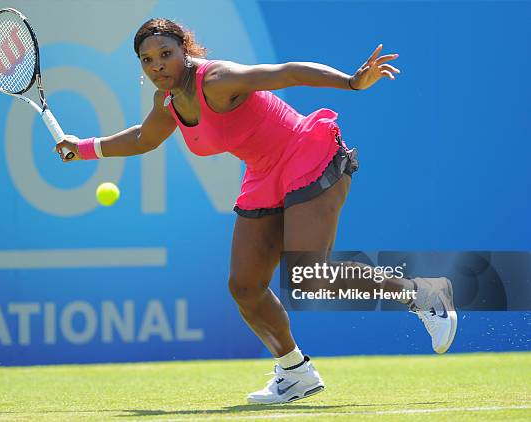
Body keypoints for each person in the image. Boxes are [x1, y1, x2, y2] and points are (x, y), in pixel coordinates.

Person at [55, 18, 457, 404]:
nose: (158, 64)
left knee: (310, 279)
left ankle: (423, 294)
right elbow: (144, 138)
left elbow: (286, 72)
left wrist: (351, 82)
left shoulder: (217, 78)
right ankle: (294, 371)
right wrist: (83, 147)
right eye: (148, 59)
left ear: (185, 49)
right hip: (265, 176)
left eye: (166, 53)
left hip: (306, 154)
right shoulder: (169, 103)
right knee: (245, 286)